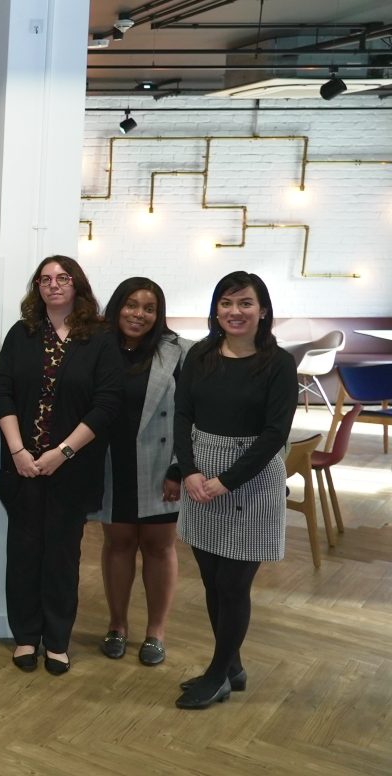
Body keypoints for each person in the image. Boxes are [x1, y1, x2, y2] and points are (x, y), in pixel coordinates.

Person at [0, 255, 121, 676]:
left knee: (63, 556)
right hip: (23, 465)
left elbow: (106, 405)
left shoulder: (100, 339)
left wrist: (61, 453)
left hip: (72, 467)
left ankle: (58, 640)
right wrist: (18, 452)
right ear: (37, 288)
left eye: (62, 278)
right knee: (23, 552)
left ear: (76, 285)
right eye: (45, 279)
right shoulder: (22, 333)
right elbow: (4, 393)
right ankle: (26, 636)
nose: (53, 285)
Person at [172, 271, 295, 710]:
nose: (235, 312)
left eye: (245, 303)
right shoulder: (201, 354)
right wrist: (188, 471)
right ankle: (233, 667)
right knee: (210, 579)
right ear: (216, 309)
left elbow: (275, 434)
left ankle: (217, 673)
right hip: (199, 477)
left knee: (233, 584)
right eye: (227, 302)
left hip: (250, 482)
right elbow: (182, 414)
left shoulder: (278, 364)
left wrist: (225, 481)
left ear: (263, 310)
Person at [93, 277, 190, 669]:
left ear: (158, 314)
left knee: (158, 547)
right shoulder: (97, 346)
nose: (139, 314)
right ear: (117, 307)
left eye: (149, 308)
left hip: (160, 463)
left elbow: (189, 416)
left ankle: (156, 632)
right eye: (131, 305)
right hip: (110, 461)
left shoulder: (179, 352)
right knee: (118, 544)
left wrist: (180, 469)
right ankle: (117, 625)